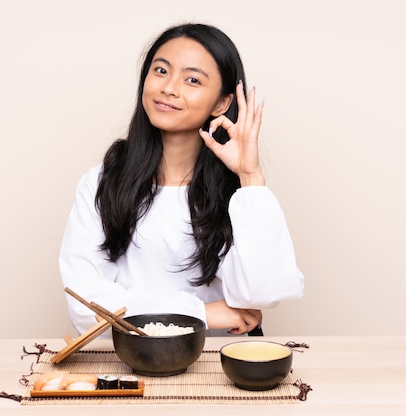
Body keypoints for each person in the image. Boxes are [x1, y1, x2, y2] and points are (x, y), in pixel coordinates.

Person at [59, 23, 304, 336]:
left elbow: (263, 292)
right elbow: (85, 308)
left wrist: (250, 176)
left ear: (221, 103)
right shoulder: (102, 183)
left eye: (192, 79)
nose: (169, 88)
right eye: (160, 71)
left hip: (222, 364)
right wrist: (201, 312)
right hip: (134, 363)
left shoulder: (240, 191)